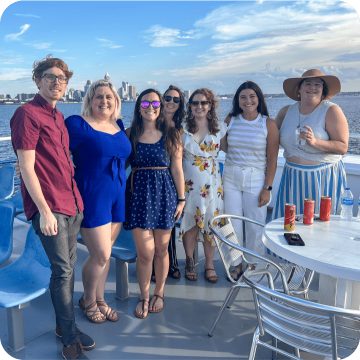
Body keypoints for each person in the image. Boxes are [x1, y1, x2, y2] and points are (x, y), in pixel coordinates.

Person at [10, 55, 94, 360]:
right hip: (51, 208)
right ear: (37, 80)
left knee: (68, 270)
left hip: (72, 203)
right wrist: (44, 212)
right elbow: (27, 168)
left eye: (62, 78)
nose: (56, 82)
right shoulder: (26, 114)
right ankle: (70, 339)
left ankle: (63, 325)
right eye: (49, 77)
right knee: (62, 271)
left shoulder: (58, 117)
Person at [65, 79, 131, 323]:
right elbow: (55, 153)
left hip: (117, 196)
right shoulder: (77, 124)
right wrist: (24, 162)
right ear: (90, 100)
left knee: (107, 253)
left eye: (109, 97)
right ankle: (87, 301)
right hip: (92, 195)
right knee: (100, 254)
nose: (104, 101)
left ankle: (100, 299)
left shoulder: (118, 124)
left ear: (116, 101)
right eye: (99, 97)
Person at [124, 88, 185, 319]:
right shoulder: (130, 134)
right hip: (139, 196)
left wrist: (181, 199)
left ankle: (159, 292)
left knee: (161, 250)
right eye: (146, 103)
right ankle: (144, 295)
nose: (151, 107)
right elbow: (118, 162)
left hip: (165, 196)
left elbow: (177, 170)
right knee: (144, 253)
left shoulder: (171, 134)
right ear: (139, 106)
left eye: (155, 104)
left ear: (160, 108)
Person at [272, 69, 348, 220]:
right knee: (290, 226)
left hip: (322, 178)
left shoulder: (331, 110)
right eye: (307, 83)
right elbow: (270, 136)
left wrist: (315, 142)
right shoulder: (286, 111)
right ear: (299, 89)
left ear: (323, 89)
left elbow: (342, 147)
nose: (312, 87)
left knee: (320, 226)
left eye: (317, 84)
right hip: (292, 178)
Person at [222, 81, 279, 281]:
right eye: (243, 97)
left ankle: (255, 265)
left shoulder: (268, 124)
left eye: (252, 96)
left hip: (256, 179)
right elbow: (221, 146)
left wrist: (268, 187)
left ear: (259, 99)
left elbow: (272, 158)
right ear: (238, 101)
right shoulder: (231, 120)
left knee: (255, 225)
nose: (248, 101)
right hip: (231, 176)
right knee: (232, 223)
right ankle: (236, 263)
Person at [179, 88, 227, 283]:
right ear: (189, 106)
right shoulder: (181, 128)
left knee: (211, 225)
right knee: (190, 222)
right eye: (195, 102)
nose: (199, 106)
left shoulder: (220, 128)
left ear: (210, 106)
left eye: (203, 103)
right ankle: (190, 260)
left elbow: (232, 152)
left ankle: (209, 263)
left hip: (213, 185)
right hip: (189, 185)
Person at [151, 84, 186, 282]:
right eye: (167, 98)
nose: (171, 102)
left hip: (174, 178)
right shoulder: (152, 120)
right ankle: (152, 266)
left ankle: (171, 262)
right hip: (156, 179)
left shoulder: (181, 127)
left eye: (176, 99)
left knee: (168, 227)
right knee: (151, 227)